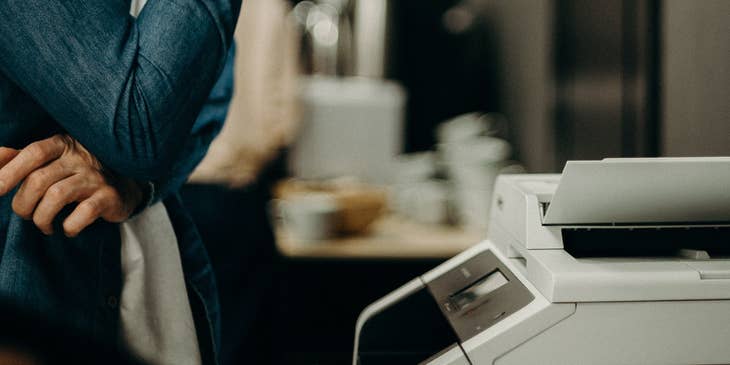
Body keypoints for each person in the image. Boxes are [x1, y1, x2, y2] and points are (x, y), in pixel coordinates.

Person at [0, 1, 241, 364]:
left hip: (157, 277)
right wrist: (132, 153)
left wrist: (134, 182)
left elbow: (209, 92)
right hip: (35, 294)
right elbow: (140, 118)